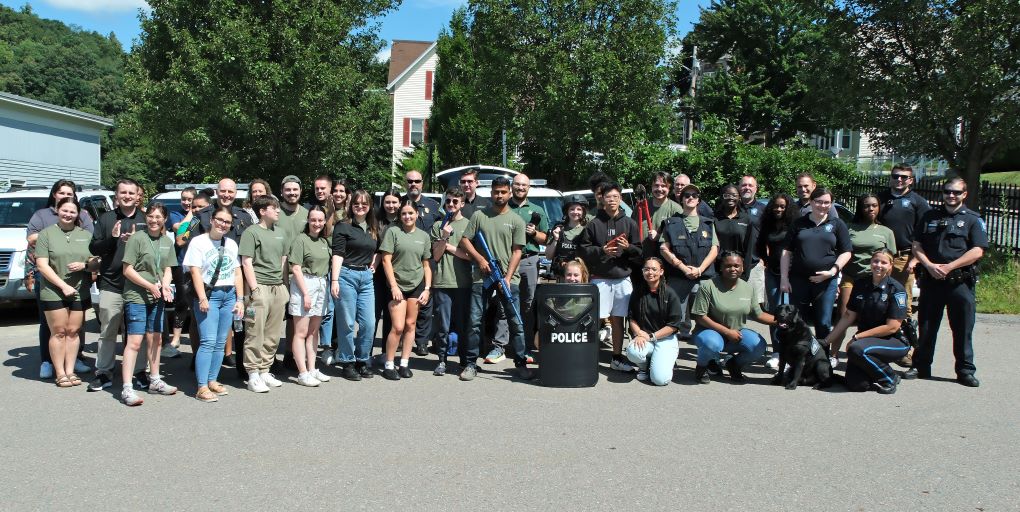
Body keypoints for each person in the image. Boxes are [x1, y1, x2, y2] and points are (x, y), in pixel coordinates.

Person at [906, 177, 986, 387]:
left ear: (964, 194)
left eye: (956, 192)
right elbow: (916, 245)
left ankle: (965, 370)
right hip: (932, 280)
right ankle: (921, 366)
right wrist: (930, 265)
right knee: (927, 326)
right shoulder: (929, 216)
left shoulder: (972, 219)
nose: (951, 195)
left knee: (962, 328)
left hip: (959, 282)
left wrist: (950, 267)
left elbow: (977, 250)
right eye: (947, 191)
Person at [457, 176, 535, 381]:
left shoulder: (517, 220)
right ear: (491, 193)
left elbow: (517, 252)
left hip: (509, 279)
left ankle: (520, 363)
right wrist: (480, 260)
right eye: (496, 192)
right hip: (480, 277)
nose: (499, 195)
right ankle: (471, 364)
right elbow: (465, 241)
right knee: (474, 322)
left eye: (503, 192)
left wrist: (507, 278)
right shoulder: (479, 216)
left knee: (515, 323)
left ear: (509, 193)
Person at [27, 179, 94, 379]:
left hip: (78, 286)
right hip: (51, 285)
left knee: (73, 330)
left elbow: (92, 248)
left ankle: (73, 364)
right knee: (53, 327)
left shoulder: (84, 221)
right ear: (55, 197)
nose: (66, 197)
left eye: (70, 194)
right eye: (62, 193)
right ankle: (51, 364)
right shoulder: (43, 220)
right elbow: (35, 247)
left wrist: (88, 265)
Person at [88, 178, 150, 392]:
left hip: (138, 286)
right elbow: (94, 247)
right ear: (117, 195)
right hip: (111, 284)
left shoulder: (145, 219)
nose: (127, 196)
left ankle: (139, 371)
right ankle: (104, 372)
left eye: (131, 193)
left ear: (137, 196)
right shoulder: (106, 219)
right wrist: (113, 239)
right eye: (123, 192)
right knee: (108, 330)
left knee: (136, 332)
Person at [824, 249, 910, 394]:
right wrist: (826, 341)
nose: (878, 265)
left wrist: (858, 337)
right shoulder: (861, 284)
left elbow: (892, 327)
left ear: (890, 265)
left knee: (856, 349)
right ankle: (874, 371)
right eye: (875, 261)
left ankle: (889, 377)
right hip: (866, 342)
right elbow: (848, 316)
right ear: (870, 262)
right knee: (858, 385)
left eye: (884, 262)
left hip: (893, 341)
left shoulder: (896, 290)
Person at [577, 182, 641, 372]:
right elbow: (583, 250)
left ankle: (616, 356)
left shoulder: (629, 222)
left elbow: (639, 251)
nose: (612, 200)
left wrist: (627, 247)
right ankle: (585, 356)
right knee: (592, 318)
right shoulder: (594, 224)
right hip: (600, 278)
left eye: (615, 196)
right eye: (608, 197)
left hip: (622, 278)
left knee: (618, 319)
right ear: (601, 199)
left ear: (620, 198)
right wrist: (602, 250)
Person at [182, 206, 243, 402]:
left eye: (227, 222)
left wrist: (240, 299)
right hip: (209, 295)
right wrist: (202, 297)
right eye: (219, 220)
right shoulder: (198, 242)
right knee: (207, 341)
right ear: (212, 220)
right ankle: (201, 386)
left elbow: (237, 272)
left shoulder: (232, 244)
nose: (223, 224)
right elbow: (195, 272)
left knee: (220, 342)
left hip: (229, 295)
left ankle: (212, 380)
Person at [120, 203, 179, 405]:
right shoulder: (137, 238)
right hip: (137, 296)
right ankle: (127, 388)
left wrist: (164, 286)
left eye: (158, 217)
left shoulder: (166, 241)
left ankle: (155, 380)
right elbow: (127, 270)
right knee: (135, 342)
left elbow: (168, 268)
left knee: (156, 339)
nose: (154, 220)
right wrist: (149, 286)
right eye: (151, 216)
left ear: (165, 219)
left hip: (157, 297)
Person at [780, 187, 852, 343]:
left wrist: (833, 272)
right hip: (798, 280)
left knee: (823, 322)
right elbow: (786, 251)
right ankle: (798, 358)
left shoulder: (837, 224)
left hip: (826, 282)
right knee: (797, 321)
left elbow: (846, 252)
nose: (823, 206)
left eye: (827, 202)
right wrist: (784, 279)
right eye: (819, 202)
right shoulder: (799, 223)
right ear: (811, 202)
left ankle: (822, 359)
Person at [691, 251, 774, 383]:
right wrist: (727, 332)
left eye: (737, 265)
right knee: (711, 344)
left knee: (759, 346)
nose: (733, 269)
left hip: (736, 334)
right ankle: (702, 366)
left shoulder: (748, 288)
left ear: (742, 268)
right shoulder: (708, 286)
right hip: (709, 333)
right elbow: (700, 317)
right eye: (728, 266)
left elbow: (759, 314)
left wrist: (782, 321)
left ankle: (734, 364)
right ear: (721, 268)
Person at [877, 163, 930, 364]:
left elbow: (925, 233)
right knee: (880, 303)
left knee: (903, 305)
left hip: (905, 258)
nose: (899, 180)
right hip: (882, 258)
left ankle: (906, 349)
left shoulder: (918, 202)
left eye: (904, 177)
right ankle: (882, 346)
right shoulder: (880, 199)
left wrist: (916, 259)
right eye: (896, 176)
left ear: (911, 180)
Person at [238, 195, 289, 393]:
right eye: (274, 208)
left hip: (278, 288)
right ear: (262, 211)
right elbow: (246, 262)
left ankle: (265, 370)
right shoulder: (251, 232)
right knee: (254, 332)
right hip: (259, 289)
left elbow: (284, 261)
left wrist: (285, 287)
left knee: (273, 334)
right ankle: (252, 374)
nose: (278, 211)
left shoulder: (281, 233)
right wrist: (254, 290)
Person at [379, 199, 432, 380]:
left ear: (417, 214)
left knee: (411, 325)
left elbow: (426, 265)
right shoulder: (393, 232)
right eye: (404, 213)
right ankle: (388, 364)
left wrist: (427, 288)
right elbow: (386, 260)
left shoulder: (424, 236)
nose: (407, 216)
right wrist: (393, 286)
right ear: (400, 216)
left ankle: (404, 363)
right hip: (397, 286)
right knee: (398, 327)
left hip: (416, 285)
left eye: (411, 213)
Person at [660, 184, 718, 339]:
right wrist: (683, 268)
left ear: (699, 200)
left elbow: (714, 249)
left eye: (694, 195)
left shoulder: (709, 223)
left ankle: (705, 355)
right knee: (674, 318)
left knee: (705, 318)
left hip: (703, 278)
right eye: (687, 195)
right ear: (681, 199)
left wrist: (699, 269)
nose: (690, 198)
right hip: (678, 278)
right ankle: (671, 354)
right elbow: (664, 248)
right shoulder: (671, 223)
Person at [331, 190, 378, 380]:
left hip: (366, 276)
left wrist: (374, 263)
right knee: (347, 323)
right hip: (346, 274)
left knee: (369, 323)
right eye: (357, 204)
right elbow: (338, 253)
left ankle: (362, 359)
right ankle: (347, 362)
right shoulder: (343, 226)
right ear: (351, 206)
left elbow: (379, 249)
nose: (360, 207)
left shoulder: (373, 228)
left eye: (364, 204)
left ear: (369, 206)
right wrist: (334, 280)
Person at [836, 194, 896, 336]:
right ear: (860, 208)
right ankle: (833, 355)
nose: (870, 209)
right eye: (866, 206)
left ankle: (867, 350)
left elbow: (889, 261)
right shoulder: (848, 228)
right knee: (844, 317)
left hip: (874, 281)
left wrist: (887, 286)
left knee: (872, 319)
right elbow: (841, 253)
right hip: (850, 278)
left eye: (874, 205)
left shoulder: (886, 232)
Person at [285, 206, 332, 387]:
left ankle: (312, 368)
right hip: (305, 284)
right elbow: (295, 267)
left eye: (320, 220)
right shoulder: (301, 240)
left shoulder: (323, 241)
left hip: (321, 285)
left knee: (313, 332)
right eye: (313, 220)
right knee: (301, 332)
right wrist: (305, 294)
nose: (317, 224)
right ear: (308, 220)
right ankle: (302, 372)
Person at [430, 186, 473, 376]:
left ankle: (464, 361)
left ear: (462, 203)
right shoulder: (437, 226)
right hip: (442, 282)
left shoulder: (469, 224)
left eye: (455, 201)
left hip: (463, 283)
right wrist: (444, 237)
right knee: (442, 325)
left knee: (463, 324)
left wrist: (449, 246)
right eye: (448, 201)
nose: (451, 204)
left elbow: (471, 256)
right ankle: (441, 360)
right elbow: (436, 255)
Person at [755, 193, 797, 369]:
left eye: (782, 206)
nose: (778, 209)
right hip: (773, 273)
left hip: (793, 273)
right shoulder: (767, 224)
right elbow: (759, 245)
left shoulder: (794, 225)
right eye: (776, 206)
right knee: (776, 313)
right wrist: (766, 260)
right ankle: (777, 352)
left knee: (793, 313)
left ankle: (792, 353)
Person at [625, 257, 682, 386]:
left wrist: (651, 337)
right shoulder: (637, 292)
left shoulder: (670, 293)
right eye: (647, 269)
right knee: (634, 352)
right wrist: (639, 333)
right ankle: (644, 366)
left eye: (654, 269)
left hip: (665, 339)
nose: (650, 272)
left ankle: (664, 359)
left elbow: (673, 326)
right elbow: (632, 317)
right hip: (644, 337)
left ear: (661, 272)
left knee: (660, 380)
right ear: (642, 271)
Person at [509, 173, 549, 357]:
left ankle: (526, 346)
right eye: (517, 184)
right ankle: (501, 345)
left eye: (524, 185)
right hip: (506, 260)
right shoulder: (503, 208)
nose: (520, 188)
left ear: (528, 188)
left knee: (528, 304)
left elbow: (547, 239)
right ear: (512, 186)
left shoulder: (537, 210)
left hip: (528, 260)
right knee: (504, 304)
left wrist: (534, 234)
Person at [402, 170, 441, 357]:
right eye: (410, 181)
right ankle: (403, 338)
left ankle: (422, 341)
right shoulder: (399, 202)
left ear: (422, 183)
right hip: (403, 260)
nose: (413, 184)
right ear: (405, 183)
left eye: (417, 181)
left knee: (425, 303)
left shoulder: (433, 206)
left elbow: (442, 228)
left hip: (427, 260)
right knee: (401, 302)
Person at [163, 186, 196, 359]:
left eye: (190, 199)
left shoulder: (203, 217)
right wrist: (192, 215)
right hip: (181, 263)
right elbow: (181, 234)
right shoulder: (175, 214)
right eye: (184, 198)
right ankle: (175, 339)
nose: (186, 202)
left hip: (199, 265)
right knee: (182, 303)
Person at [373, 189, 401, 351]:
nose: (391, 205)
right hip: (377, 275)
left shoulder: (403, 221)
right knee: (374, 316)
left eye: (394, 202)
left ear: (399, 203)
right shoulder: (376, 222)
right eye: (388, 202)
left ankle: (386, 353)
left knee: (392, 317)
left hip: (396, 275)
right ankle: (366, 355)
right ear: (383, 203)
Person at [713, 184, 757, 281]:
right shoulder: (714, 219)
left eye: (734, 195)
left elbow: (749, 249)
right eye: (727, 195)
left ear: (739, 198)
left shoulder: (746, 219)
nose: (730, 198)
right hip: (718, 271)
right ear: (722, 197)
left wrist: (745, 273)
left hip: (738, 271)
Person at [545, 194, 588, 277]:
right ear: (566, 211)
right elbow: (548, 256)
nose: (575, 212)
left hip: (581, 276)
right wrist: (555, 239)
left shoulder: (588, 229)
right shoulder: (558, 228)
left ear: (583, 211)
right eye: (572, 209)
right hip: (562, 275)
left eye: (579, 209)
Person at [632, 172, 682, 238]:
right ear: (652, 186)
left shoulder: (676, 210)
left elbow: (680, 236)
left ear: (669, 188)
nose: (659, 189)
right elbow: (631, 230)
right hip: (641, 248)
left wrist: (659, 237)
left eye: (663, 186)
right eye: (656, 185)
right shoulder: (640, 207)